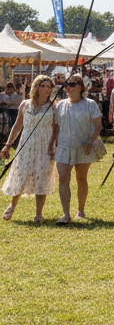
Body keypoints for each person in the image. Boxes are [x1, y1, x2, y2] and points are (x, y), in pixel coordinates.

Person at [1, 75, 56, 222]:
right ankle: (12, 205)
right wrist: (7, 145)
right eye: (43, 86)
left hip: (46, 145)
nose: (46, 89)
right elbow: (18, 126)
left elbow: (56, 127)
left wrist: (52, 145)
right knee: (21, 173)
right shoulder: (25, 104)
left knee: (43, 175)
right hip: (27, 143)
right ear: (36, 87)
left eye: (49, 87)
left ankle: (39, 213)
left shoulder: (53, 106)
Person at [49, 74, 102, 223]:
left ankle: (81, 210)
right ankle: (66, 214)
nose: (67, 88)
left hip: (83, 146)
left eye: (71, 84)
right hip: (64, 146)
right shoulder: (60, 105)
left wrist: (91, 141)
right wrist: (52, 144)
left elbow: (98, 126)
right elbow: (56, 126)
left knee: (81, 178)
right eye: (65, 85)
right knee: (64, 178)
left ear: (80, 86)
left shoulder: (90, 104)